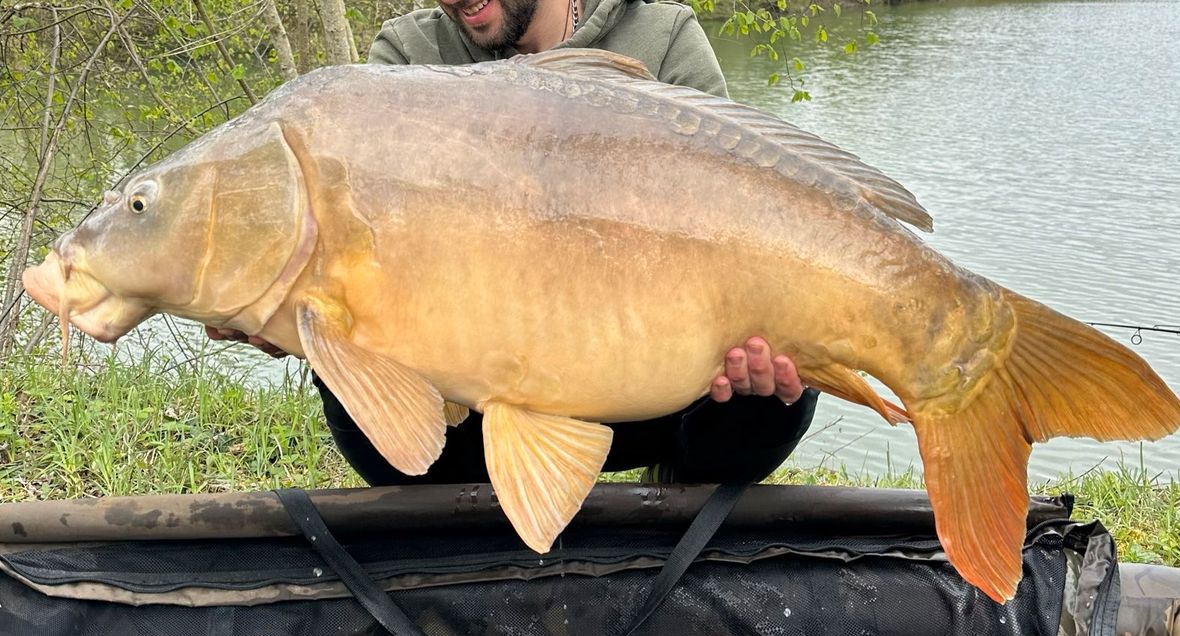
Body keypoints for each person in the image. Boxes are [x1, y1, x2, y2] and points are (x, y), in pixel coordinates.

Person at [208, 0, 822, 485]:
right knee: (345, 379)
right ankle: (480, 521)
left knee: (780, 381)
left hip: (654, 392)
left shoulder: (661, 39)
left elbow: (741, 218)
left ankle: (678, 490)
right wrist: (288, 309)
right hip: (476, 408)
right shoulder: (406, 56)